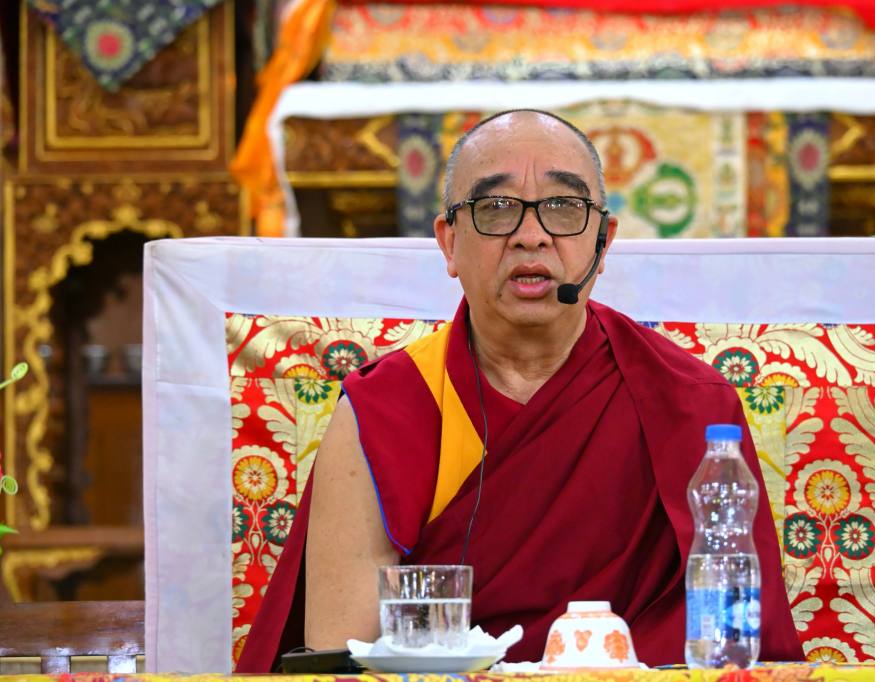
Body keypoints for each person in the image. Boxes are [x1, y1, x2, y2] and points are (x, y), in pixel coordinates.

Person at [237, 110, 803, 671]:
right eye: (496, 208)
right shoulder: (384, 410)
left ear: (603, 243)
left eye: (564, 206)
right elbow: (342, 662)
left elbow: (741, 654)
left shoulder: (689, 402)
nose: (531, 236)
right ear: (449, 243)